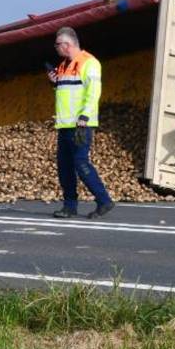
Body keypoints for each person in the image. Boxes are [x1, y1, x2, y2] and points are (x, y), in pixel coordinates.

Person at [46, 27, 115, 219]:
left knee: (80, 163)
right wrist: (54, 84)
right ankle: (69, 206)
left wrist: (84, 117)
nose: (56, 48)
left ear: (67, 44)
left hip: (80, 124)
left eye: (57, 44)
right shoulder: (63, 66)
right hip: (65, 125)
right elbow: (65, 93)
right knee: (64, 167)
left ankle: (104, 200)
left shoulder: (90, 63)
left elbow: (93, 92)